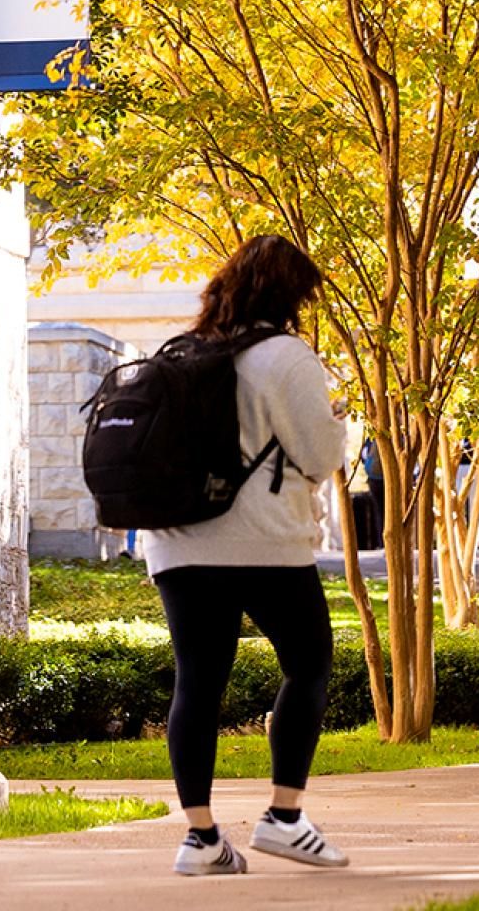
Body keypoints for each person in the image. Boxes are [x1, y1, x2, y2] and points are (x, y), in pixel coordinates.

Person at [143, 235, 350, 877]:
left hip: (177, 541)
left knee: (197, 682)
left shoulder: (184, 351)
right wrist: (339, 420)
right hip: (262, 542)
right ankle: (284, 817)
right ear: (291, 296)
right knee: (309, 662)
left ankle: (200, 839)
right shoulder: (285, 356)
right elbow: (320, 456)